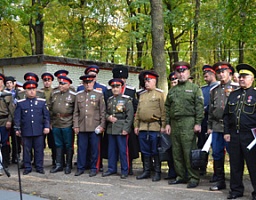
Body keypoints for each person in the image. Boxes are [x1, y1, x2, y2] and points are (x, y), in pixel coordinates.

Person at [165, 61, 204, 188]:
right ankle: (181, 176)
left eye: (184, 72)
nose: (181, 75)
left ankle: (194, 177)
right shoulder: (172, 90)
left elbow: (199, 108)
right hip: (175, 123)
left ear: (188, 73)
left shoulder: (195, 89)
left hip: (189, 122)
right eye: (179, 72)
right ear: (175, 74)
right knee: (176, 152)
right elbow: (167, 108)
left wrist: (198, 123)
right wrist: (167, 123)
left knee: (189, 151)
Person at [223, 64, 256, 200]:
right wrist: (226, 132)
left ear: (252, 79)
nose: (241, 79)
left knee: (253, 165)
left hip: (251, 136)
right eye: (240, 77)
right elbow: (226, 115)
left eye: (245, 77)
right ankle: (236, 190)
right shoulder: (233, 95)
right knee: (235, 164)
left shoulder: (255, 95)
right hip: (234, 135)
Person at [207, 61, 239, 191]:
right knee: (217, 154)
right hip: (217, 127)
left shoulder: (236, 88)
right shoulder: (214, 90)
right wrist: (209, 126)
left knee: (234, 155)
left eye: (223, 72)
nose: (221, 75)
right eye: (218, 72)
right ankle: (220, 181)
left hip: (231, 128)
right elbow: (211, 109)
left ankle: (235, 182)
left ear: (229, 72)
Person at [104, 66, 139, 175]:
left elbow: (131, 111)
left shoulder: (130, 92)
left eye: (123, 78)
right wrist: (107, 117)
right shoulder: (109, 95)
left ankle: (126, 169)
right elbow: (105, 109)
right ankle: (111, 168)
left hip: (124, 125)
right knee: (111, 150)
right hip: (112, 127)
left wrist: (127, 127)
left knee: (125, 150)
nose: (121, 80)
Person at [134, 70, 166, 182]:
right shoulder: (141, 95)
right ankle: (146, 171)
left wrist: (163, 126)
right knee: (144, 150)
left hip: (154, 126)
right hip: (143, 127)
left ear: (155, 81)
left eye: (149, 80)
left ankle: (157, 172)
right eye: (145, 80)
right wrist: (136, 125)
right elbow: (138, 111)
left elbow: (163, 112)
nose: (146, 83)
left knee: (155, 150)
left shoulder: (160, 94)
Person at [14, 81, 50, 175]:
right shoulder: (21, 103)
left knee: (39, 150)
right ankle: (27, 167)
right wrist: (17, 128)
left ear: (36, 91)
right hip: (26, 130)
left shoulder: (42, 102)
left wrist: (46, 127)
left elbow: (46, 116)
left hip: (39, 130)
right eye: (29, 90)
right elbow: (17, 117)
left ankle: (39, 167)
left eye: (33, 89)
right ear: (25, 91)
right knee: (26, 150)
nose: (31, 92)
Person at [73, 74, 106, 177]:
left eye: (90, 82)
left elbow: (103, 112)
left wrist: (102, 125)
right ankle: (80, 167)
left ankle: (94, 168)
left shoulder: (99, 95)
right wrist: (76, 125)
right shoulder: (79, 95)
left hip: (95, 126)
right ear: (83, 84)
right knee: (81, 149)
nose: (88, 85)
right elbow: (76, 112)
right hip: (82, 126)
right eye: (86, 83)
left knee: (94, 149)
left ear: (93, 83)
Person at [50, 76, 76, 174]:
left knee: (68, 144)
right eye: (60, 83)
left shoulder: (73, 95)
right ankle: (59, 164)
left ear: (68, 85)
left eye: (63, 83)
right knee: (58, 144)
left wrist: (74, 124)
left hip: (67, 122)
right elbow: (51, 108)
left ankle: (68, 165)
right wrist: (51, 122)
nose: (60, 85)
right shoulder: (55, 94)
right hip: (56, 122)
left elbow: (76, 111)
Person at [198, 65, 218, 176]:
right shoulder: (203, 89)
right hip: (204, 120)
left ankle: (217, 172)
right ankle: (202, 168)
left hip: (215, 121)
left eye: (207, 76)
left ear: (212, 74)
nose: (205, 78)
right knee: (202, 144)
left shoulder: (219, 87)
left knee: (216, 147)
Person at [4, 76, 22, 165]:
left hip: (17, 118)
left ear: (14, 83)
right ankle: (8, 155)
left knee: (16, 139)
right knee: (6, 138)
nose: (9, 85)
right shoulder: (4, 93)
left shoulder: (18, 92)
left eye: (10, 83)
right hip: (7, 118)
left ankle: (16, 155)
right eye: (7, 83)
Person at [41, 73, 56, 167]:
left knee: (53, 142)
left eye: (49, 80)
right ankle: (38, 161)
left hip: (53, 120)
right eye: (45, 80)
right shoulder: (39, 92)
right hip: (41, 120)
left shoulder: (55, 92)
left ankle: (55, 160)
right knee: (40, 143)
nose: (47, 82)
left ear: (51, 81)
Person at [0, 73, 14, 172]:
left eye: (0, 82)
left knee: (4, 141)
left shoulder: (7, 95)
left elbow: (11, 110)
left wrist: (9, 121)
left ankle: (5, 161)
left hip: (4, 120)